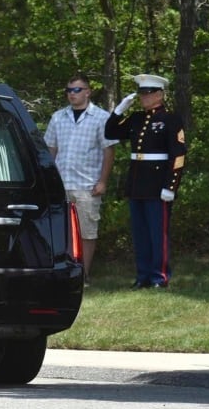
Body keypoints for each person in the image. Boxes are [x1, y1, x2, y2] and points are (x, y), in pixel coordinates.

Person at [105, 74, 187, 289]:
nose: (142, 97)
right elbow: (110, 131)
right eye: (141, 93)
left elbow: (178, 155)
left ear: (159, 94)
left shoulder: (170, 119)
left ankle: (159, 276)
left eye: (147, 93)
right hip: (137, 182)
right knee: (140, 233)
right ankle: (143, 276)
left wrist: (171, 186)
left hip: (158, 184)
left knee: (157, 233)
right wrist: (118, 111)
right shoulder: (136, 119)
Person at [44, 74, 118, 285]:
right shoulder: (58, 117)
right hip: (61, 184)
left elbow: (108, 151)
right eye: (69, 90)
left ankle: (82, 275)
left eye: (76, 90)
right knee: (61, 232)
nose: (72, 94)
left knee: (86, 231)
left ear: (87, 91)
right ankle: (62, 273)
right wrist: (49, 180)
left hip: (87, 185)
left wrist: (102, 181)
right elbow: (51, 149)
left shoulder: (101, 117)